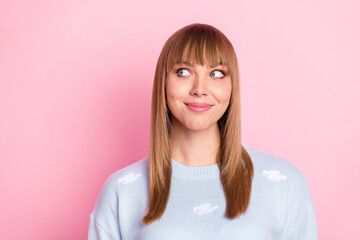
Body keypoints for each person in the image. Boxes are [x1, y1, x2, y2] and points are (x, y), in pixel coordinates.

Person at [87, 23, 318, 240]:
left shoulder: (284, 183)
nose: (199, 89)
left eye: (216, 73)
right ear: (163, 82)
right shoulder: (122, 191)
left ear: (232, 86)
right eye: (183, 72)